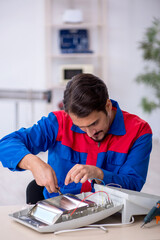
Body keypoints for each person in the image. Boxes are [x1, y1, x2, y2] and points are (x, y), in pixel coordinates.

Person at [0, 73, 152, 200]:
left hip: (111, 218)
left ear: (107, 106)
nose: (89, 133)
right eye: (80, 126)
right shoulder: (58, 122)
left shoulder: (139, 132)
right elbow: (6, 144)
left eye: (94, 123)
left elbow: (133, 185)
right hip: (58, 214)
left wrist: (99, 174)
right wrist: (33, 163)